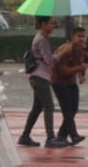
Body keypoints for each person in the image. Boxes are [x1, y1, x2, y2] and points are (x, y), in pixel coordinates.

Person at [18, 17, 67, 148]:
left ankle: (25, 136)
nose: (53, 26)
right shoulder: (42, 40)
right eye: (51, 23)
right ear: (42, 24)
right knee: (49, 107)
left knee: (37, 108)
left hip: (38, 76)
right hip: (40, 77)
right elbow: (49, 60)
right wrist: (62, 53)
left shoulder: (40, 38)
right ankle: (50, 138)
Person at [51, 27, 88, 145]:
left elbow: (80, 62)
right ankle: (73, 135)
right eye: (79, 36)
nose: (82, 39)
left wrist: (81, 75)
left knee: (74, 109)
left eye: (83, 36)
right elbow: (62, 70)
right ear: (72, 37)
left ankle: (61, 136)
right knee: (67, 110)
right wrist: (79, 69)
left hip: (71, 81)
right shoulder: (66, 50)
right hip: (59, 81)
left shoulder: (82, 49)